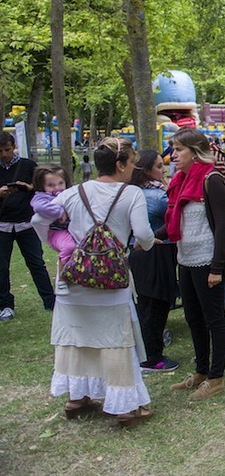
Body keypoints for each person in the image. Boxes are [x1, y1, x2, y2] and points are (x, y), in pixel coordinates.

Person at [33, 137, 155, 427]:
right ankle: (125, 407)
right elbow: (144, 234)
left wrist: (55, 244)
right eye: (132, 162)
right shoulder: (132, 193)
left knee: (75, 338)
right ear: (119, 164)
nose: (134, 167)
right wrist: (143, 245)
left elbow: (38, 218)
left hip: (73, 277)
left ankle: (77, 397)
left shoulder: (73, 192)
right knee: (115, 340)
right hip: (111, 282)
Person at [161, 128, 225, 400]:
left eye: (178, 150)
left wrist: (217, 267)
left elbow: (222, 226)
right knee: (193, 317)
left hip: (206, 261)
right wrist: (152, 237)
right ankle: (201, 370)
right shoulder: (180, 180)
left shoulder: (211, 179)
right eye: (172, 149)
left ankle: (216, 378)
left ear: (195, 151)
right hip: (185, 259)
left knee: (214, 319)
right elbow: (175, 221)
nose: (173, 155)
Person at [127, 150, 179, 373]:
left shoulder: (133, 192)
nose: (163, 170)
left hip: (139, 253)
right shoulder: (157, 196)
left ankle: (146, 353)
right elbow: (174, 220)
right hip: (155, 252)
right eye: (159, 166)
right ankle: (152, 357)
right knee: (155, 305)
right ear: (146, 170)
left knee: (146, 305)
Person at [0, 132, 54, 319]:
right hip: (3, 225)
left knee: (36, 263)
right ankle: (5, 305)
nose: (4, 154)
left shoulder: (28, 165)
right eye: (0, 151)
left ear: (13, 146)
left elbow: (44, 189)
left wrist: (29, 187)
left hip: (26, 224)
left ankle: (50, 301)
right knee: (1, 267)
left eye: (7, 150)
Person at [29, 164, 75, 297]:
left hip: (72, 230)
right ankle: (61, 280)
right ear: (41, 186)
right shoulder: (41, 198)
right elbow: (39, 208)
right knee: (69, 247)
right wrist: (60, 211)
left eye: (60, 183)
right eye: (51, 185)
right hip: (56, 232)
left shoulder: (70, 193)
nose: (57, 188)